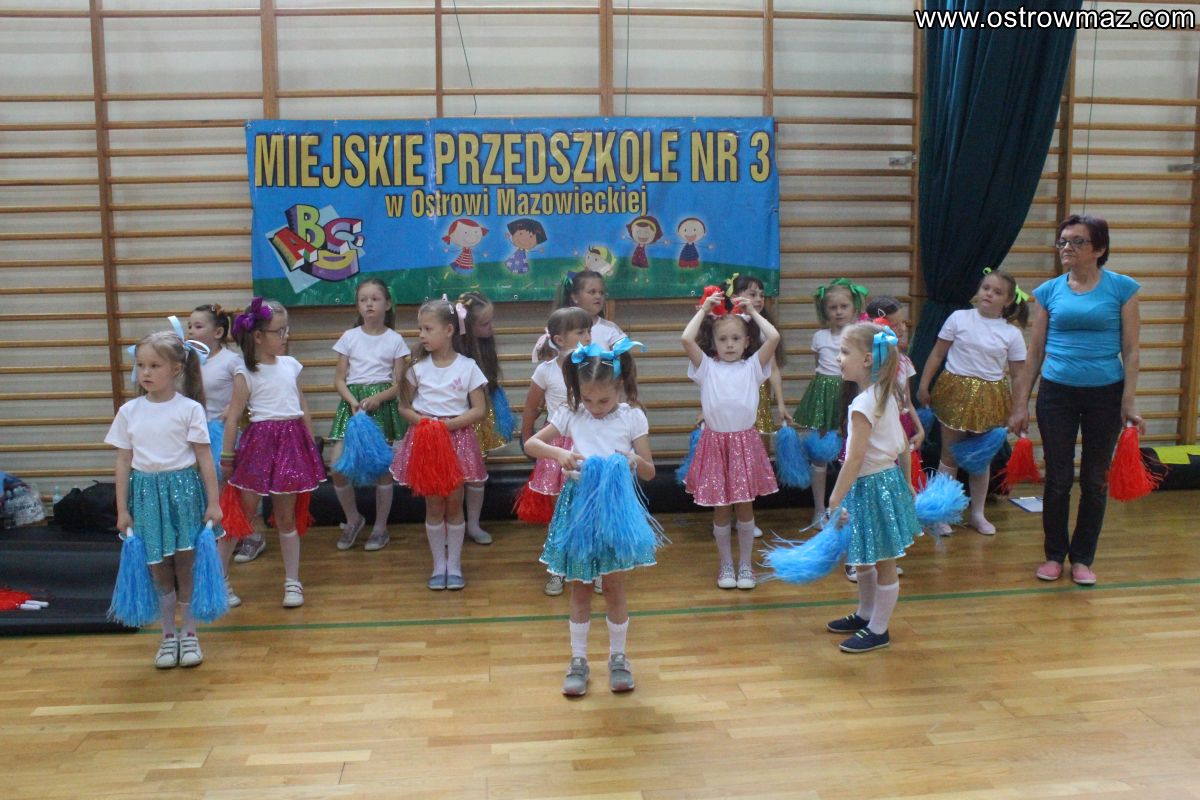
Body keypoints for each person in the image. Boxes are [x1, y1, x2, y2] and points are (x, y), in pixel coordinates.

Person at [1008, 214, 1142, 586]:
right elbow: (1034, 353)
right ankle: (1054, 555)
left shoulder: (1122, 288)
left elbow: (1131, 350)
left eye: (1077, 241)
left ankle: (1082, 558)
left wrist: (1129, 401)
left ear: (1099, 249)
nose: (1067, 247)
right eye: (1064, 241)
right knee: (1059, 478)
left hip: (1105, 394)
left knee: (1095, 478)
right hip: (1057, 394)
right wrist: (1019, 405)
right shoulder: (1049, 291)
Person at [525, 338, 659, 697]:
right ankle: (578, 660)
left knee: (614, 587)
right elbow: (531, 444)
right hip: (578, 506)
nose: (595, 408)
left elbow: (650, 472)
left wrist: (633, 460)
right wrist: (558, 454)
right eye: (588, 399)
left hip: (614, 507)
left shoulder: (632, 417)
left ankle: (618, 657)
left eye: (604, 401)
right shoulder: (571, 413)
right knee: (581, 587)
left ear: (619, 387)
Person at [107, 329, 222, 668]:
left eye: (154, 365)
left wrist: (214, 502)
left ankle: (189, 633)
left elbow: (204, 457)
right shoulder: (129, 411)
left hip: (184, 494)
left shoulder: (189, 409)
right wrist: (122, 509)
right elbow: (123, 461)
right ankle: (167, 635)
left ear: (175, 369)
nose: (145, 372)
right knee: (158, 568)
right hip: (146, 497)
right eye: (141, 365)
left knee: (185, 565)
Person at [221, 298, 326, 609]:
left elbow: (302, 406)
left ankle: (293, 581)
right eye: (279, 331)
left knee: (286, 516)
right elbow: (233, 416)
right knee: (243, 513)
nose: (285, 336)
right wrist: (227, 456)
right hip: (259, 445)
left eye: (285, 330)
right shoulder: (245, 372)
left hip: (291, 444)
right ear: (258, 336)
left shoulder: (291, 365)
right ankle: (220, 579)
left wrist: (310, 444)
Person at [823, 322, 921, 653]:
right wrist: (906, 480)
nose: (838, 358)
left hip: (874, 485)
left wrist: (834, 499)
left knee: (883, 560)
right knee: (864, 556)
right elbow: (904, 444)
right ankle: (866, 614)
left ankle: (879, 629)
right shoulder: (884, 394)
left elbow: (854, 459)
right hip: (877, 484)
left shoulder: (865, 404)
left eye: (844, 352)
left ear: (866, 360)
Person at [681, 289, 781, 590]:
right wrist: (704, 310)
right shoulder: (706, 368)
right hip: (715, 445)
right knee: (721, 508)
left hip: (744, 445)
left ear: (747, 342)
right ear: (713, 343)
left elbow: (774, 337)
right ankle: (726, 564)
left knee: (744, 507)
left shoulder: (753, 367)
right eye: (722, 339)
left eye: (736, 338)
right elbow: (686, 339)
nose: (729, 344)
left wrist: (753, 313)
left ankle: (745, 565)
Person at [917, 271, 1027, 536]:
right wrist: (923, 384)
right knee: (949, 455)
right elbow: (937, 353)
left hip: (990, 398)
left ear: (1008, 301)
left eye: (997, 292)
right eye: (986, 288)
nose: (989, 294)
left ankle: (977, 513)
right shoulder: (959, 318)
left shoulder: (1011, 333)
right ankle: (942, 513)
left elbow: (1018, 375)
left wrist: (1018, 408)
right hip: (954, 392)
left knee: (980, 458)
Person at [390, 299, 488, 591]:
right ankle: (439, 566)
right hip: (427, 441)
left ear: (448, 330)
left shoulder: (468, 367)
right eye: (420, 329)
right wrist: (425, 424)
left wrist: (446, 426)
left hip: (456, 441)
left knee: (454, 503)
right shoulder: (417, 369)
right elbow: (404, 407)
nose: (421, 334)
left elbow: (479, 409)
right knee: (433, 505)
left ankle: (454, 566)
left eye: (428, 328)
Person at [328, 279, 410, 552]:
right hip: (352, 408)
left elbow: (400, 384)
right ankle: (353, 519)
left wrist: (378, 398)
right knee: (337, 467)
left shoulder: (395, 340)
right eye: (363, 299)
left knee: (382, 471)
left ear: (387, 304)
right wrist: (353, 402)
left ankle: (380, 528)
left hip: (382, 407)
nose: (369, 304)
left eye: (375, 299)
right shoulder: (349, 337)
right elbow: (339, 379)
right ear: (358, 305)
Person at [519, 306, 593, 597]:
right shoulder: (546, 371)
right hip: (556, 446)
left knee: (589, 509)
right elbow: (530, 408)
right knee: (560, 512)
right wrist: (528, 437)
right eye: (580, 332)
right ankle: (557, 567)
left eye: (589, 331)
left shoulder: (596, 364)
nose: (587, 337)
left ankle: (594, 567)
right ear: (560, 340)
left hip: (589, 445)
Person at [795, 278, 867, 523]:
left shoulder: (858, 336)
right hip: (824, 398)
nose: (838, 312)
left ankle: (847, 510)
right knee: (820, 454)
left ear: (854, 307)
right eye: (833, 307)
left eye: (844, 306)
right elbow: (819, 368)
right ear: (824, 310)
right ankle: (819, 510)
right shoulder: (820, 337)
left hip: (852, 395)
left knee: (853, 453)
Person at [188, 304, 245, 606]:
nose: (191, 331)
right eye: (189, 326)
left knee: (222, 508)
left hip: (221, 438)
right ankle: (198, 577)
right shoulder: (185, 360)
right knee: (197, 509)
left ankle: (220, 577)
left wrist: (230, 412)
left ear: (218, 332)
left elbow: (244, 397)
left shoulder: (231, 361)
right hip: (190, 440)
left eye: (198, 326)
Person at [457, 291, 505, 545]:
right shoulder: (455, 354)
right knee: (454, 474)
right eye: (485, 323)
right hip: (456, 419)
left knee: (477, 472)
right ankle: (454, 522)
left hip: (479, 416)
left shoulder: (485, 347)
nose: (491, 327)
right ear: (468, 326)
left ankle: (473, 524)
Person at [558, 269, 626, 349]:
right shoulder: (560, 328)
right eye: (592, 292)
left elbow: (624, 355)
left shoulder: (611, 329)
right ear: (575, 297)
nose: (598, 296)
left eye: (601, 293)